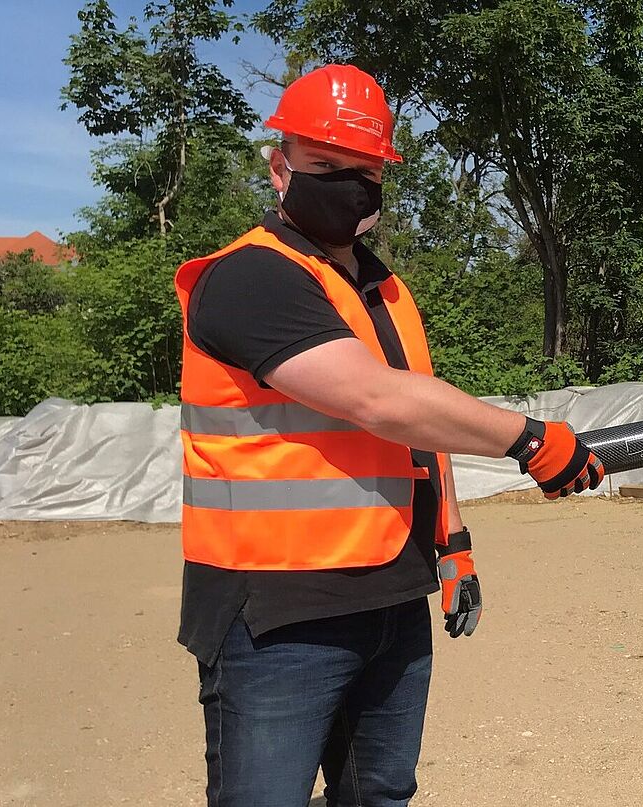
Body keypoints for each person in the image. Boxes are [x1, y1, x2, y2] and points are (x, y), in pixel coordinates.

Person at [173, 64, 603, 806]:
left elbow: (419, 426)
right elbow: (377, 400)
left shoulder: (384, 289)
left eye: (363, 170)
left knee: (381, 794)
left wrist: (454, 544)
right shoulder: (250, 277)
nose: (347, 183)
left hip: (391, 597)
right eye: (324, 165)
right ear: (280, 168)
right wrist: (532, 439)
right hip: (276, 614)